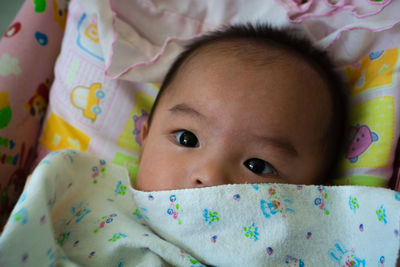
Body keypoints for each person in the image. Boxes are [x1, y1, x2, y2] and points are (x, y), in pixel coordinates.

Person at [136, 23, 347, 191]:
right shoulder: (104, 200)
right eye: (187, 139)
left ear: (318, 191)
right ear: (145, 139)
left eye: (258, 166)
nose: (210, 176)